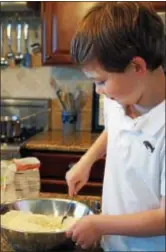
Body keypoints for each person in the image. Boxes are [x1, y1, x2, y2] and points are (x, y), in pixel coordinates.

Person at [65, 2, 166, 251]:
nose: (98, 91)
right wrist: (86, 161)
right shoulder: (120, 97)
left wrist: (100, 225)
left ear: (137, 66)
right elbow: (115, 129)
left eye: (101, 81)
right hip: (113, 245)